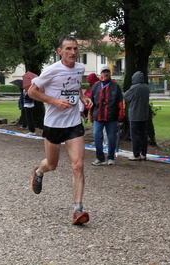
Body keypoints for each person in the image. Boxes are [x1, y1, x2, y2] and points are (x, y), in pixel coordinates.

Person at [28, 35, 93, 225]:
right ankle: (39, 171)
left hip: (73, 124)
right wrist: (55, 101)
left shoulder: (80, 68)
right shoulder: (52, 70)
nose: (73, 52)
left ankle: (77, 210)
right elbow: (32, 91)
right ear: (60, 52)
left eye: (75, 49)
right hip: (53, 125)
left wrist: (82, 97)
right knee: (52, 165)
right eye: (68, 49)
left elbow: (75, 86)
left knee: (78, 165)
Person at [90, 66, 124, 166]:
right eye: (104, 72)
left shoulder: (115, 86)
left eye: (107, 72)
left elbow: (120, 103)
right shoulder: (96, 86)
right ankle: (100, 158)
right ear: (100, 74)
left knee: (111, 137)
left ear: (110, 73)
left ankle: (110, 157)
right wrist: (91, 117)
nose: (106, 74)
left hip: (111, 116)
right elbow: (91, 102)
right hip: (98, 116)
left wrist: (120, 117)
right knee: (96, 136)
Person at [123, 71, 150, 161]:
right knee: (143, 135)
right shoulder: (146, 87)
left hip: (135, 115)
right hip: (144, 115)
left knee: (135, 135)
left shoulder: (134, 88)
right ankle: (144, 153)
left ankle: (136, 154)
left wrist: (119, 91)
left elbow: (126, 97)